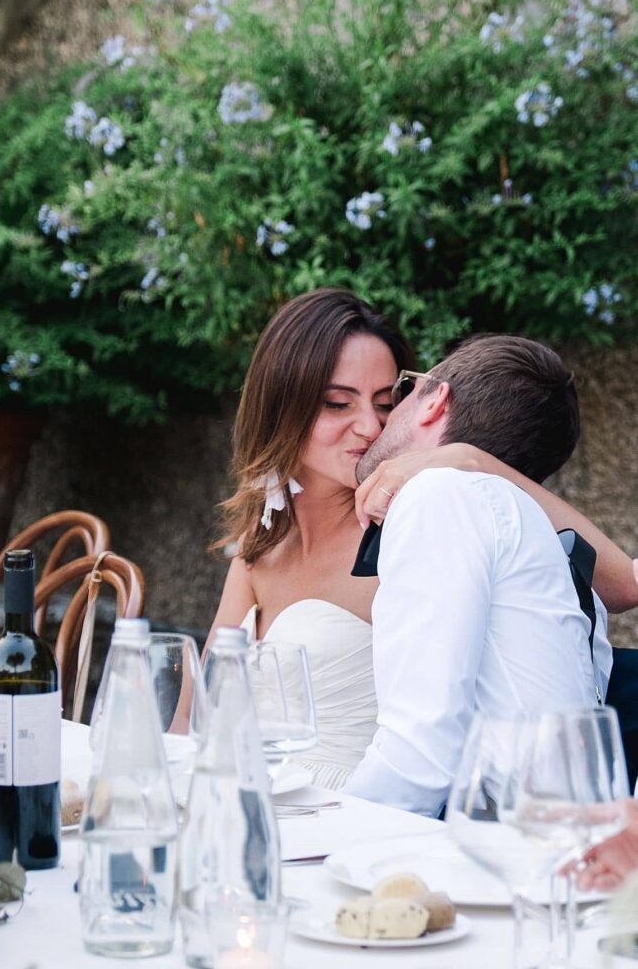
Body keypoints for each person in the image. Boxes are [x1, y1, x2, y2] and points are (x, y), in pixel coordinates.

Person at [211, 290, 638, 790]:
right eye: (336, 403)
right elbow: (200, 713)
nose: (370, 426)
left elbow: (625, 584)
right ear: (280, 404)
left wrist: (472, 460)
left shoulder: (426, 521)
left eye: (387, 402)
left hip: (359, 817)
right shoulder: (260, 542)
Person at [344, 335, 617, 814]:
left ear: (435, 400)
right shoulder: (525, 527)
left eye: (406, 389)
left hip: (503, 859)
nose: (389, 412)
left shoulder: (441, 496)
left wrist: (319, 844)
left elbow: (419, 758)